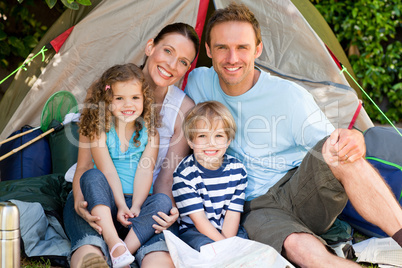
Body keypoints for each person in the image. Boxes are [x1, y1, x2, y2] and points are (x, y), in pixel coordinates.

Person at [184, 3, 402, 267]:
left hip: (301, 186)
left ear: (258, 49)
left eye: (242, 47)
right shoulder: (197, 81)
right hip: (256, 205)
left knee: (339, 152)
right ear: (208, 51)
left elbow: (334, 144)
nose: (232, 58)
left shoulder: (288, 97)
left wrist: (352, 137)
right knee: (300, 250)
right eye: (222, 48)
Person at [63, 22, 199, 267]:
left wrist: (166, 210)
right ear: (150, 47)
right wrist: (78, 201)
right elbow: (85, 167)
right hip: (95, 195)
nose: (171, 64)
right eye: (168, 51)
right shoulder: (103, 91)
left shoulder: (183, 109)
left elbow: (165, 178)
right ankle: (107, 251)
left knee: (159, 259)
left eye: (183, 61)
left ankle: (123, 252)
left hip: (143, 201)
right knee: (90, 254)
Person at [77, 63, 173, 268]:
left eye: (135, 98)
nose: (127, 104)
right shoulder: (99, 130)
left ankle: (123, 252)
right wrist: (120, 205)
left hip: (135, 202)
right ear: (107, 100)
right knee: (92, 176)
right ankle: (115, 245)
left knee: (163, 201)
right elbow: (107, 170)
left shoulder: (150, 132)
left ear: (145, 100)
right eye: (119, 98)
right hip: (106, 202)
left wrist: (136, 205)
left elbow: (145, 170)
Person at [172, 101, 248, 251]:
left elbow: (232, 215)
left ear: (228, 141)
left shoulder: (238, 170)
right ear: (190, 142)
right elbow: (199, 221)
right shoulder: (184, 175)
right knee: (208, 250)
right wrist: (224, 247)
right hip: (195, 231)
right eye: (202, 136)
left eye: (218, 135)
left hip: (226, 232)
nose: (211, 143)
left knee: (245, 247)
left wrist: (228, 245)